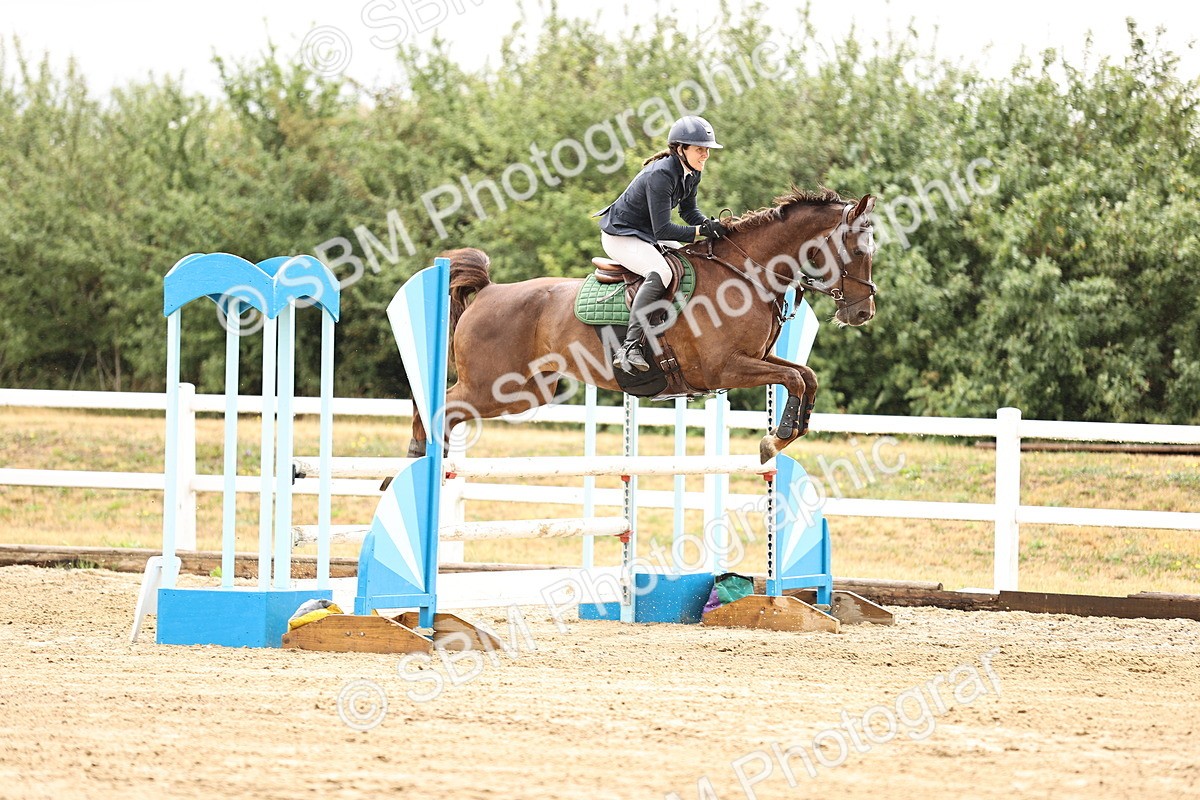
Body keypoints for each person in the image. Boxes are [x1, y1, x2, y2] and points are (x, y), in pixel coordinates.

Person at [596, 115, 730, 374]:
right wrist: (700, 231)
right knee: (662, 272)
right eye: (700, 149)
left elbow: (689, 213)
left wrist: (709, 227)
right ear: (681, 149)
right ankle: (630, 346)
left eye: (707, 150)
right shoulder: (661, 175)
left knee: (691, 261)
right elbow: (663, 230)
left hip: (645, 233)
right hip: (621, 235)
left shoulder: (691, 173)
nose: (705, 155)